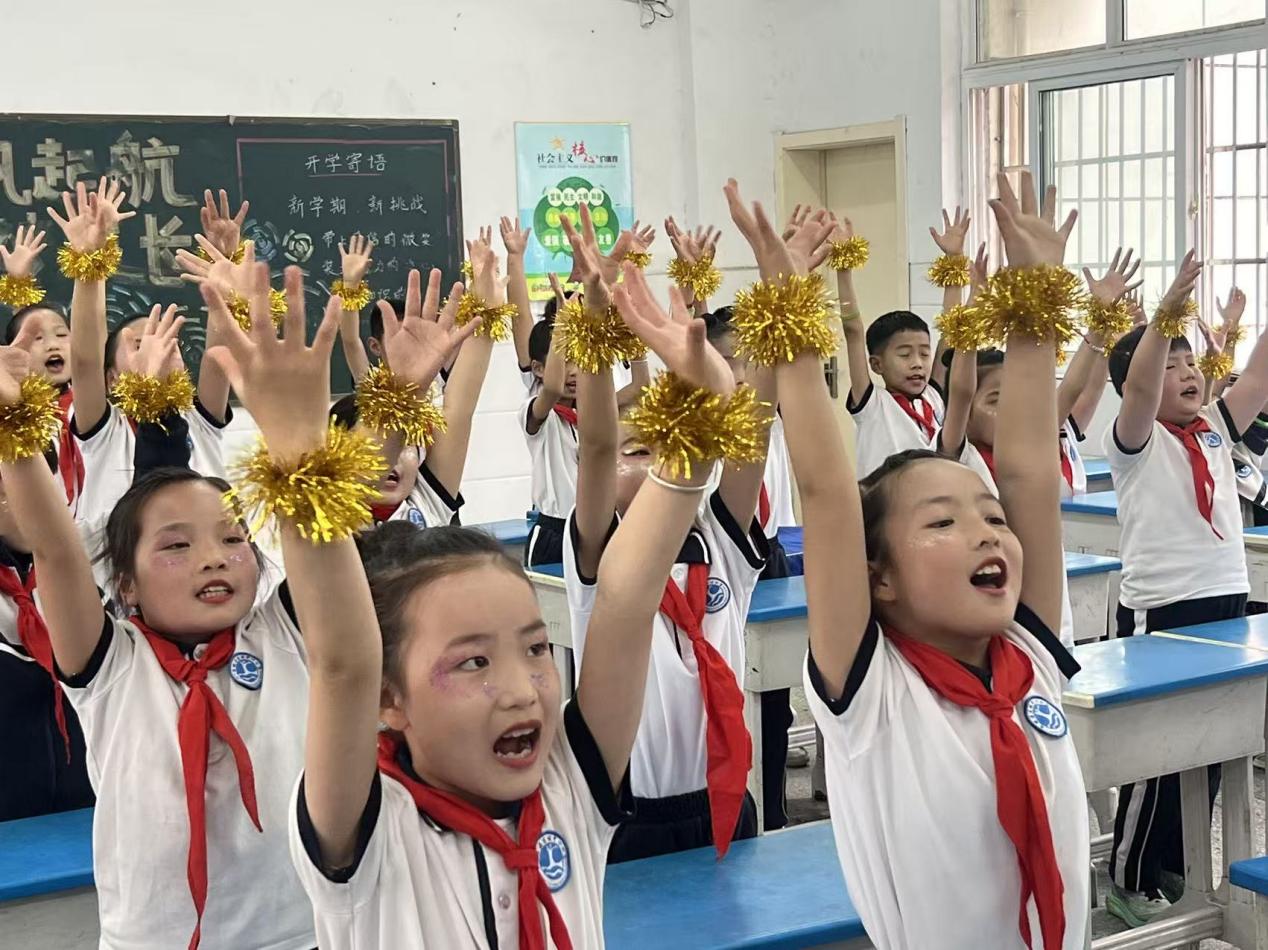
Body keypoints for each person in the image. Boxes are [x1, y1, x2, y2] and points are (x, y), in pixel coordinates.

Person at [270, 227, 750, 947]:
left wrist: (703, 420)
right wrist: (303, 433)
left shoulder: (571, 787)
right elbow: (342, 662)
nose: (524, 689)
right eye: (473, 661)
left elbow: (624, 599)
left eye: (536, 649)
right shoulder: (368, 829)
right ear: (386, 699)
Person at [787, 172, 1089, 949]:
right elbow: (826, 494)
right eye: (943, 523)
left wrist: (1035, 304)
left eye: (991, 518)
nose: (988, 533)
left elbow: (1028, 469)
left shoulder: (1029, 658)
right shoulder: (874, 694)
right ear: (877, 574)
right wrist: (788, 309)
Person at [0, 262, 338, 949]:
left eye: (233, 539)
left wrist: (296, 425)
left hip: (299, 936)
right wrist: (12, 424)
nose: (214, 558)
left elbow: (325, 530)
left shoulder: (280, 634)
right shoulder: (112, 666)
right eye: (177, 548)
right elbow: (58, 552)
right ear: (123, 584)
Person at [561, 196, 789, 861]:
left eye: (660, 452)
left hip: (724, 799)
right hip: (629, 816)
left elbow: (752, 431)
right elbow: (597, 444)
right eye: (636, 453)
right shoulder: (600, 558)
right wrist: (594, 323)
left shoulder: (718, 543)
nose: (650, 465)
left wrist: (777, 294)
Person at [1103, 259, 1268, 925]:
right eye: (1171, 366)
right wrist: (1165, 313)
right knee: (1157, 753)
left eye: (1191, 362)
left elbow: (1258, 377)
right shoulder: (1135, 440)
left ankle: (1177, 863)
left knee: (1208, 741)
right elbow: (1141, 385)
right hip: (1164, 607)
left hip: (1226, 600)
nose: (1188, 373)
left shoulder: (1213, 429)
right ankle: (1130, 877)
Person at [837, 214, 953, 479]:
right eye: (904, 355)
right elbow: (853, 332)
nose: (918, 363)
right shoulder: (872, 404)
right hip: (884, 503)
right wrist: (843, 267)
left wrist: (954, 262)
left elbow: (950, 332)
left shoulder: (933, 398)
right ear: (876, 364)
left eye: (924, 353)